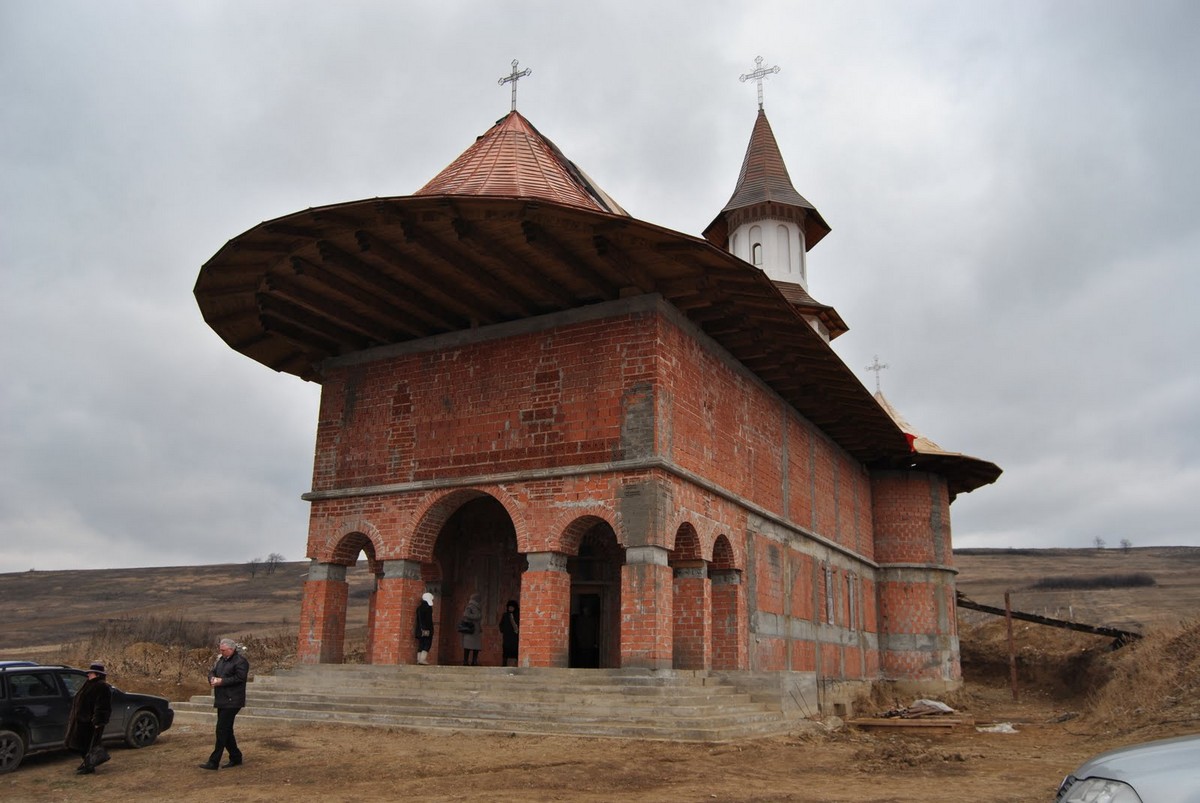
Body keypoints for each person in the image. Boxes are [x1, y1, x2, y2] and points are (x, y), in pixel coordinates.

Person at [200, 637, 249, 770]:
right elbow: (212, 671)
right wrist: (211, 678)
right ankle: (236, 756)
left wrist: (222, 681)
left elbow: (240, 678)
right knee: (226, 730)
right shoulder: (221, 660)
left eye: (224, 650)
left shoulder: (240, 661)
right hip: (222, 699)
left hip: (233, 700)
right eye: (220, 650)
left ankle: (214, 761)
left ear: (231, 649)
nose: (221, 652)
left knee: (221, 729)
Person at [65, 662, 112, 775]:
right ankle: (87, 764)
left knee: (89, 746)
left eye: (91, 673)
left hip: (90, 722)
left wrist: (98, 721)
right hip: (81, 721)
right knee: (81, 745)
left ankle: (89, 766)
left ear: (98, 674)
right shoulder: (89, 684)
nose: (88, 675)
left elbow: (102, 706)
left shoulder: (102, 687)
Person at [460, 592, 483, 665]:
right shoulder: (470, 606)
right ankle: (465, 661)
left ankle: (474, 661)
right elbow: (466, 615)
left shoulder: (477, 607)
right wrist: (477, 616)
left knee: (476, 647)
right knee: (468, 646)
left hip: (476, 630)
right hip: (470, 629)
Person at [414, 591, 435, 665]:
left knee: (421, 644)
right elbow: (428, 620)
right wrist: (429, 629)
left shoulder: (419, 608)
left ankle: (418, 659)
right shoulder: (428, 608)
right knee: (427, 644)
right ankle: (422, 659)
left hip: (419, 630)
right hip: (426, 630)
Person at [498, 599, 520, 667]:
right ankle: (504, 664)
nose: (510, 608)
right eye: (509, 607)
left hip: (514, 637)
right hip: (507, 636)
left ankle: (517, 664)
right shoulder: (505, 615)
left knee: (515, 650)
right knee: (506, 651)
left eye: (512, 607)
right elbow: (501, 624)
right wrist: (503, 630)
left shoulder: (517, 615)